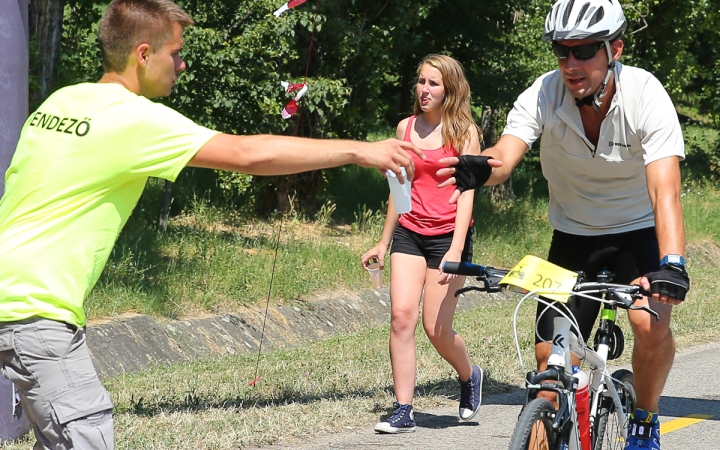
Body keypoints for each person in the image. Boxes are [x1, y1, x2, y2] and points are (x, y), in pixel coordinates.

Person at [0, 1, 423, 448]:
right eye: (175, 54)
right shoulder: (134, 117)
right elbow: (247, 155)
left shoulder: (59, 102)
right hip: (35, 309)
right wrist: (361, 151)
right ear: (142, 55)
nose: (181, 65)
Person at [437, 1, 689, 449]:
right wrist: (482, 168)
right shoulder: (543, 92)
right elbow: (506, 154)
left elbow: (664, 189)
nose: (570, 64)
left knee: (649, 326)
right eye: (561, 51)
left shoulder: (646, 94)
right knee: (550, 366)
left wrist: (672, 262)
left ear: (615, 49)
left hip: (638, 233)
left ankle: (645, 421)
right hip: (573, 238)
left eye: (584, 51)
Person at [361, 54, 483, 434]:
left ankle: (469, 375)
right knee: (401, 319)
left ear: (449, 89)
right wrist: (383, 243)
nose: (424, 89)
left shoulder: (465, 133)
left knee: (436, 328)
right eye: (421, 81)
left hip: (449, 237)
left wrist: (456, 249)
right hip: (410, 233)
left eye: (433, 83)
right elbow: (399, 188)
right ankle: (404, 409)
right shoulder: (405, 128)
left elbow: (468, 194)